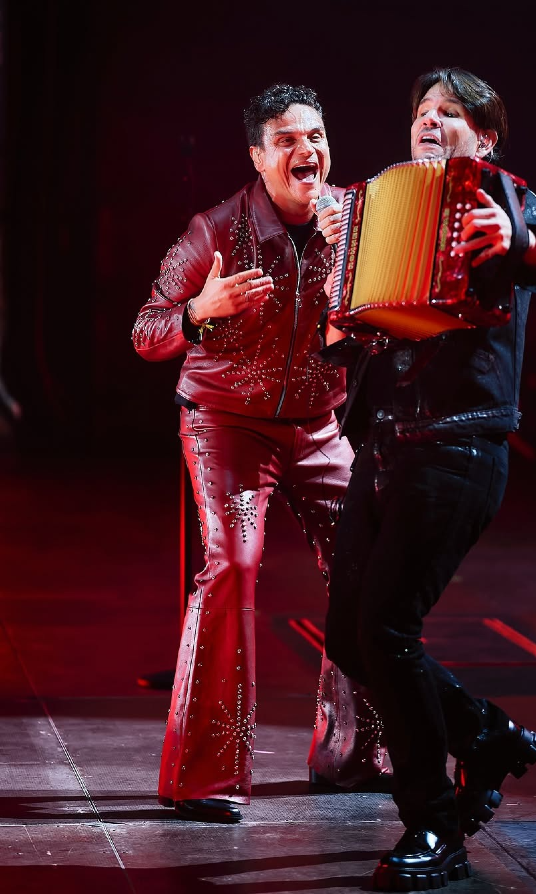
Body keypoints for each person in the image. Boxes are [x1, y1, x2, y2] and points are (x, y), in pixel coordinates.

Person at [318, 67, 536, 890]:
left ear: (484, 136)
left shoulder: (499, 193)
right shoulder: (377, 204)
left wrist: (515, 238)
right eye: (422, 112)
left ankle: (434, 822)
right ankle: (489, 737)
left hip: (458, 447)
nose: (429, 121)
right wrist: (337, 269)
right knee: (350, 636)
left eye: (450, 114)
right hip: (385, 446)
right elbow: (348, 337)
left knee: (387, 631)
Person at [132, 84, 388, 824]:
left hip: (319, 429)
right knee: (234, 565)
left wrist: (355, 270)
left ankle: (353, 755)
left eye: (316, 134)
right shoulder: (214, 229)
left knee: (366, 567)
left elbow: (380, 330)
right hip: (226, 425)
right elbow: (146, 334)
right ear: (258, 156)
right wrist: (198, 313)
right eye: (287, 140)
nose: (307, 150)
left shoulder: (359, 222)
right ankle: (205, 776)